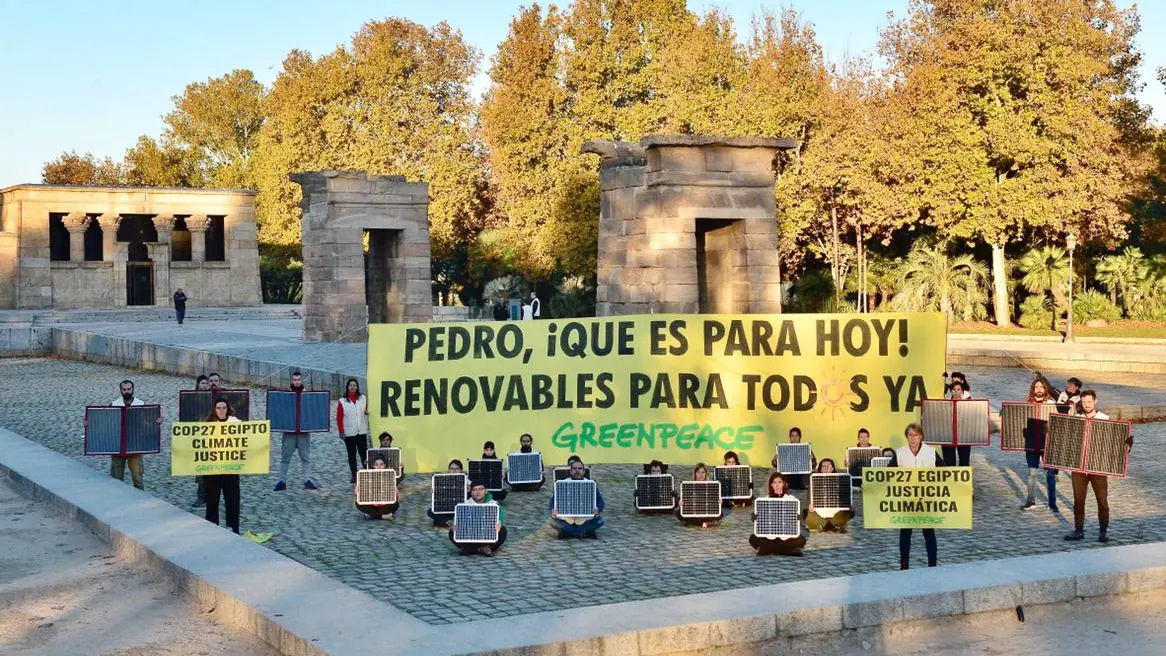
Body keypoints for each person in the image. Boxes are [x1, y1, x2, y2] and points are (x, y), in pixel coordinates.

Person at [1065, 390, 1131, 543]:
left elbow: (1115, 442)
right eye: (1084, 402)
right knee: (1078, 500)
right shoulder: (1076, 419)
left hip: (1098, 467)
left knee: (1102, 501)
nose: (1086, 405)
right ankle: (1079, 530)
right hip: (1079, 467)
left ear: (1095, 401)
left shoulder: (1105, 419)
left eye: (1089, 402)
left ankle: (1103, 531)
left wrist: (1126, 443)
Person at [896, 423, 939, 569]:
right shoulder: (900, 453)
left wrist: (963, 487)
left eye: (916, 435)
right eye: (910, 435)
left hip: (926, 499)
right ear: (906, 437)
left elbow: (948, 473)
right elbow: (887, 473)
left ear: (921, 436)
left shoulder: (931, 452)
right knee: (905, 533)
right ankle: (904, 565)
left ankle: (932, 564)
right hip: (907, 500)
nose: (913, 438)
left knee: (928, 533)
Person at [99, 379, 148, 490]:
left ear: (133, 390)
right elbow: (106, 423)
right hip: (118, 446)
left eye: (129, 389)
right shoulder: (114, 404)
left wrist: (156, 421)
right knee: (116, 480)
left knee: (138, 479)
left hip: (135, 446)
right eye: (124, 389)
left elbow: (148, 423)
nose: (126, 391)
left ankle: (139, 500)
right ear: (120, 391)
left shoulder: (141, 404)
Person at [202, 399, 243, 534]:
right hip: (212, 470)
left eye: (224, 408)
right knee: (212, 501)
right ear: (214, 409)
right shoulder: (207, 424)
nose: (221, 410)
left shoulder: (235, 423)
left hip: (230, 469)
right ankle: (211, 528)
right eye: (218, 408)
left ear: (228, 409)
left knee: (232, 500)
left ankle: (234, 528)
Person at [1021, 377, 1060, 513]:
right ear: (1033, 389)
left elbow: (1056, 422)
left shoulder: (1051, 403)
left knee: (1050, 474)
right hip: (1031, 444)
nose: (1039, 390)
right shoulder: (1027, 404)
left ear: (1045, 389)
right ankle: (1030, 501)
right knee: (1032, 473)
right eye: (1036, 387)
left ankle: (1052, 503)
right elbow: (1020, 422)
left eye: (1041, 387)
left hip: (1047, 443)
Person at [274, 371, 317, 491]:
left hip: (303, 432)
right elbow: (281, 411)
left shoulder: (307, 395)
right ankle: (282, 481)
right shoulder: (286, 395)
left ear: (301, 380)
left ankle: (307, 480)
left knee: (305, 457)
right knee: (285, 457)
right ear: (291, 381)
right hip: (289, 432)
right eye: (295, 380)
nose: (296, 382)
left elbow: (311, 411)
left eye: (298, 379)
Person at [749, 473, 807, 556]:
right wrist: (755, 517)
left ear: (784, 484)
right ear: (771, 485)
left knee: (801, 540)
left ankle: (770, 549)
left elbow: (796, 522)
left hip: (786, 536)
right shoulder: (765, 500)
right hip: (769, 536)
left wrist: (798, 517)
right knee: (753, 538)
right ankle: (786, 550)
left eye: (779, 482)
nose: (777, 485)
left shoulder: (791, 499)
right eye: (774, 482)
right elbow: (760, 524)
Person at [550, 459, 604, 539]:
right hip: (566, 518)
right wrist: (553, 509)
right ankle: (583, 533)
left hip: (585, 519)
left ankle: (571, 533)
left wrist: (598, 509)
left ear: (583, 471)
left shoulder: (590, 484)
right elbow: (553, 501)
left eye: (580, 469)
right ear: (570, 471)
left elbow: (600, 502)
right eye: (574, 469)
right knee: (553, 522)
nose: (577, 471)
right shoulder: (562, 484)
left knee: (600, 521)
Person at [450, 480, 507, 555]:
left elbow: (501, 515)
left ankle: (472, 549)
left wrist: (499, 522)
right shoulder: (466, 504)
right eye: (475, 490)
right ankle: (481, 548)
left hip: (487, 532)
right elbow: (457, 517)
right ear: (471, 492)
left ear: (485, 491)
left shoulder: (493, 503)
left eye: (480, 489)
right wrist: (455, 525)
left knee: (503, 531)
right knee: (451, 533)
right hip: (470, 532)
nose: (478, 492)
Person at [804, 459, 854, 533]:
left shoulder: (840, 480)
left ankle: (830, 525)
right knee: (807, 514)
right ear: (820, 468)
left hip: (836, 512)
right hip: (819, 512)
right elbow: (809, 501)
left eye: (828, 466)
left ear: (833, 468)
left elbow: (845, 497)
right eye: (823, 466)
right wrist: (810, 507)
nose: (826, 468)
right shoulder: (813, 480)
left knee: (850, 512)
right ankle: (829, 525)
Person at [336, 378, 369, 484]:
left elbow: (367, 410)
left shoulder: (363, 398)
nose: (353, 387)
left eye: (354, 385)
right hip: (349, 433)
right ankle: (354, 474)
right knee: (352, 454)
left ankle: (367, 472)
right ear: (347, 387)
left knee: (364, 454)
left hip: (361, 431)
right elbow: (339, 418)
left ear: (357, 387)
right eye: (351, 385)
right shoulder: (342, 401)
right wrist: (341, 432)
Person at [941, 380, 973, 468]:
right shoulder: (944, 404)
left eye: (958, 389)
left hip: (964, 437)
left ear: (962, 391)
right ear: (950, 391)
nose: (956, 392)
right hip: (947, 437)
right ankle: (949, 482)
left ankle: (963, 482)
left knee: (964, 463)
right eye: (954, 389)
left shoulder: (969, 405)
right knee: (949, 464)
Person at [191, 374, 212, 508]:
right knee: (201, 469)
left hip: (213, 437)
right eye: (203, 383)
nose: (205, 386)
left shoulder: (214, 398)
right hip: (199, 437)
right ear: (198, 385)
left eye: (207, 383)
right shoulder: (192, 398)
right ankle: (201, 497)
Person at [428, 459, 466, 528]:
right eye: (452, 468)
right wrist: (434, 492)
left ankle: (445, 521)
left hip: (459, 510)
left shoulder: (466, 481)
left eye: (457, 469)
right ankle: (448, 521)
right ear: (448, 470)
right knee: (430, 511)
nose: (454, 471)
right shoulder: (443, 480)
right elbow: (438, 500)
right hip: (446, 508)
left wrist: (469, 490)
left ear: (461, 470)